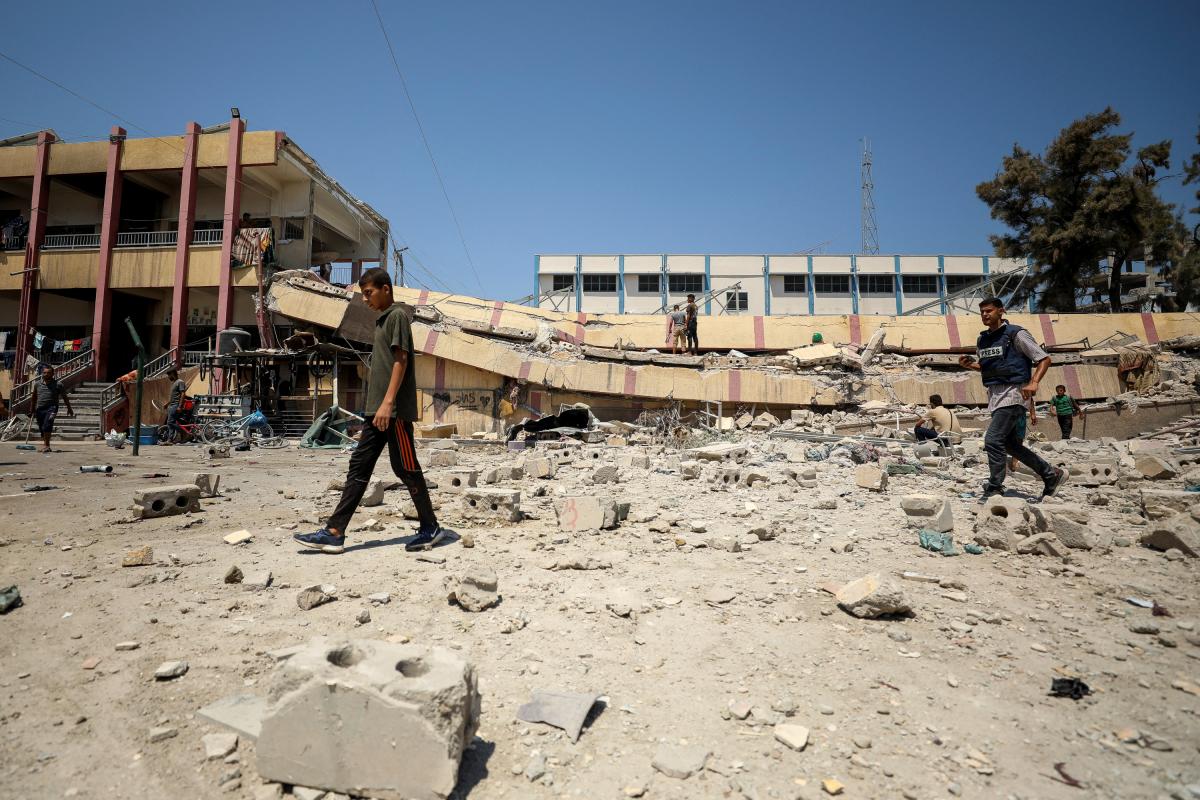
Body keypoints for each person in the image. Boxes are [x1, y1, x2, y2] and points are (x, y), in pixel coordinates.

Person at [295, 267, 442, 554]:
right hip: (376, 411)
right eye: (363, 294)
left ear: (386, 288)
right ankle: (335, 532)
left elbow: (401, 361)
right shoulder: (381, 321)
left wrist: (388, 403)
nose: (365, 299)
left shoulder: (397, 316)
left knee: (406, 467)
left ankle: (430, 527)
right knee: (359, 466)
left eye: (369, 292)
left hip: (393, 412)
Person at [958, 297, 1067, 501]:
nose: (985, 315)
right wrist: (970, 365)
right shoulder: (983, 340)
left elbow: (1043, 358)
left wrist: (1034, 381)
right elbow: (990, 366)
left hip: (1014, 393)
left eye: (989, 311)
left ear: (1002, 311)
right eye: (982, 312)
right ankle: (1051, 474)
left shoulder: (1016, 334)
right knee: (1009, 445)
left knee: (992, 439)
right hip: (995, 395)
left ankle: (994, 488)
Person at [33, 364, 72, 454]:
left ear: (52, 374)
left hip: (52, 408)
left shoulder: (58, 384)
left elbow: (65, 397)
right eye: (44, 373)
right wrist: (32, 409)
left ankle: (47, 446)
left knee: (47, 424)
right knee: (42, 427)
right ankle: (46, 445)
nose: (46, 374)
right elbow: (34, 397)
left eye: (48, 373)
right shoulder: (37, 384)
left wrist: (69, 408)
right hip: (40, 408)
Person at [1008, 396, 1037, 474]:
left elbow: (1030, 399)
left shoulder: (1023, 386)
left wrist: (1033, 414)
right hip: (1006, 416)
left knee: (1018, 439)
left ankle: (1014, 462)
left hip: (1020, 416)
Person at [164, 368, 187, 440]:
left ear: (172, 374)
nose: (168, 377)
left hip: (175, 405)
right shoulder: (174, 383)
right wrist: (167, 404)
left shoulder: (180, 382)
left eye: (169, 375)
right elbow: (174, 396)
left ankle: (183, 432)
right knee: (170, 423)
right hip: (171, 405)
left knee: (170, 422)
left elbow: (183, 394)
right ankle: (170, 439)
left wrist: (180, 406)